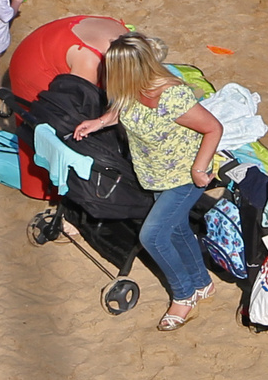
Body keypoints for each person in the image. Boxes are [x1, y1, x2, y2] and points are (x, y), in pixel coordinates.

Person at [73, 34, 223, 333]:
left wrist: (198, 168)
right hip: (155, 174)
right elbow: (123, 109)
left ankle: (183, 295)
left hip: (184, 177)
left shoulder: (172, 96)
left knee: (153, 235)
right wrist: (100, 122)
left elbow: (213, 128)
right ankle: (202, 283)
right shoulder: (128, 90)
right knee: (177, 229)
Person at [6, 14, 132, 198]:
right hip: (36, 70)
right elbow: (78, 110)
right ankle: (44, 188)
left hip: (48, 42)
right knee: (48, 127)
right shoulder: (89, 63)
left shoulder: (126, 43)